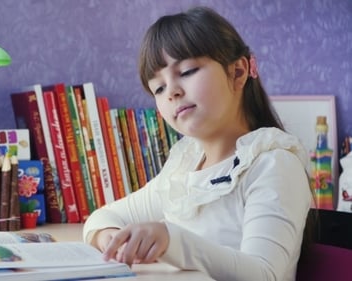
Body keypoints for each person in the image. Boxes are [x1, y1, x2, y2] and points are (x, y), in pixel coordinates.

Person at [83, 6, 313, 281]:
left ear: (238, 71)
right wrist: (109, 239)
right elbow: (102, 217)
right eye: (158, 88)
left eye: (188, 71)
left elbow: (262, 274)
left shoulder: (273, 163)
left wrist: (172, 240)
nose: (172, 92)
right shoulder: (184, 168)